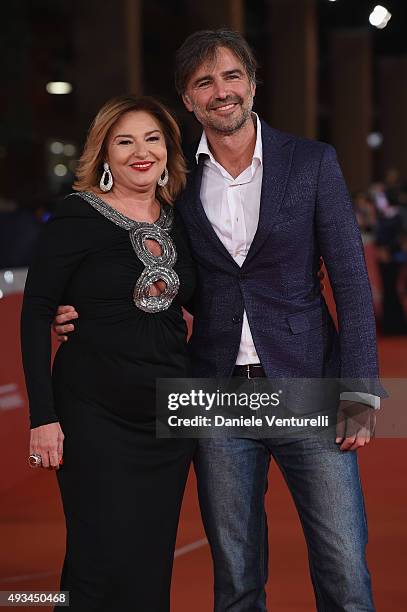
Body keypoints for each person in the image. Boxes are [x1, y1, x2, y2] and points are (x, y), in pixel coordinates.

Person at [54, 30, 385, 611]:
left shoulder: (311, 162)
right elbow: (139, 260)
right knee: (235, 574)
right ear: (188, 99)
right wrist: (81, 308)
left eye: (232, 77)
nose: (221, 91)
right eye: (204, 82)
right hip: (212, 395)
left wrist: (359, 390)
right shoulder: (173, 178)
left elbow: (353, 286)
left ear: (253, 84)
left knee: (342, 567)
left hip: (308, 385)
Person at [20, 95, 196, 611]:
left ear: (168, 151)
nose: (141, 152)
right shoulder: (75, 217)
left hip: (167, 416)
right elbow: (35, 313)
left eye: (152, 138)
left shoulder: (179, 219)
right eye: (125, 141)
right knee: (98, 562)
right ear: (103, 154)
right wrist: (43, 418)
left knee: (149, 563)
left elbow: (204, 300)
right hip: (94, 413)